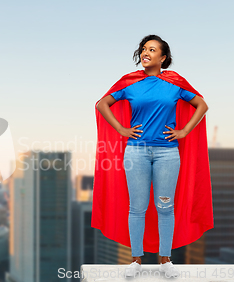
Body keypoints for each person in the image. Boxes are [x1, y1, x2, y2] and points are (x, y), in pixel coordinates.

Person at [92, 35, 213, 278]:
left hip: (167, 153)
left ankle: (165, 261)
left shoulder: (176, 83)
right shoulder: (129, 83)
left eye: (152, 49)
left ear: (163, 58)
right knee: (137, 208)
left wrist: (184, 131)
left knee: (165, 207)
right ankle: (136, 260)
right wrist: (122, 130)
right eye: (144, 49)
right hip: (135, 151)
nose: (146, 52)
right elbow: (102, 104)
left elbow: (202, 105)